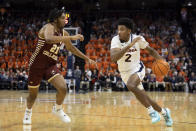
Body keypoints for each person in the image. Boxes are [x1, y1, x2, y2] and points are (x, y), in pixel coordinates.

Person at [23, 8, 96, 125]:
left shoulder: (64, 33)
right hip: (36, 65)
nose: (65, 20)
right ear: (55, 19)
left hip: (50, 65)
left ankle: (57, 109)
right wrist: (71, 38)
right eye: (62, 18)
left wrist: (86, 58)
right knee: (33, 95)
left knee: (63, 88)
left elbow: (71, 48)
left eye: (65, 18)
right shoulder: (48, 27)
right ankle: (28, 111)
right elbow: (49, 39)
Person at [110, 18, 173, 126]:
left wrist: (162, 61)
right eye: (118, 29)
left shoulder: (138, 39)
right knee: (146, 98)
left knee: (131, 85)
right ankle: (164, 112)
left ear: (129, 31)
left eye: (122, 29)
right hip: (124, 73)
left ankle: (152, 113)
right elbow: (114, 58)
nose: (119, 32)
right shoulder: (115, 40)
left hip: (137, 68)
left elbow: (151, 51)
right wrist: (129, 45)